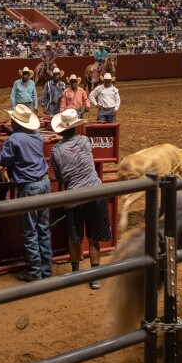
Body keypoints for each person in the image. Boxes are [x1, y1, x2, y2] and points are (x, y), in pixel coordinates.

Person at [49, 109, 111, 289]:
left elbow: (60, 178)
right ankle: (95, 276)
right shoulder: (85, 141)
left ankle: (76, 272)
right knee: (94, 238)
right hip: (95, 193)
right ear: (76, 127)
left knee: (75, 237)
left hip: (74, 197)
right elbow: (78, 146)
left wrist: (59, 142)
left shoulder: (56, 152)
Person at [0, 105, 53, 282]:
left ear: (16, 122)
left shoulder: (13, 140)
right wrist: (9, 131)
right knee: (43, 228)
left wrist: (8, 136)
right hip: (44, 183)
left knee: (30, 231)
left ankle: (34, 272)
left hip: (28, 187)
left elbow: (4, 160)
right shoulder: (36, 136)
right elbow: (22, 140)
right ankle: (46, 269)